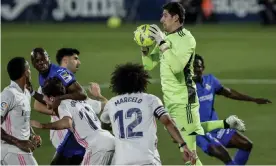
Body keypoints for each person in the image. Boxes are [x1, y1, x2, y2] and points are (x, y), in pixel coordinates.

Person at [140, 2, 246, 165]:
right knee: (187, 138)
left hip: (184, 100)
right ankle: (226, 123)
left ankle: (225, 123)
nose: (161, 20)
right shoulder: (167, 38)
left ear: (175, 18)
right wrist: (145, 48)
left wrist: (161, 43)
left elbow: (176, 68)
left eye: (165, 16)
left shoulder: (187, 39)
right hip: (170, 100)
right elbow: (148, 65)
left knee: (189, 154)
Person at [100, 63, 197, 165]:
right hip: (148, 160)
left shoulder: (111, 103)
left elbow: (104, 125)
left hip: (123, 162)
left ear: (118, 83)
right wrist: (183, 145)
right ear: (143, 81)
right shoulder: (151, 100)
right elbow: (167, 122)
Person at [194, 54, 272, 165]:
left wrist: (254, 99)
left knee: (246, 145)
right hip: (200, 132)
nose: (194, 70)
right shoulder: (186, 88)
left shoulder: (210, 81)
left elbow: (229, 93)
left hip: (217, 128)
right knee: (225, 156)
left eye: (197, 66)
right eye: (191, 67)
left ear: (203, 68)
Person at [31, 77, 115, 165]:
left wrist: (43, 126)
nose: (44, 100)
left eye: (45, 97)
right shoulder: (82, 101)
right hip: (110, 140)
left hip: (97, 147)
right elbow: (106, 106)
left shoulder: (62, 105)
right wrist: (99, 96)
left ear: (51, 98)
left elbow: (67, 122)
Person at [29, 47, 87, 165]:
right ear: (33, 64)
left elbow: (82, 94)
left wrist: (59, 99)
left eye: (43, 59)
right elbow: (48, 100)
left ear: (48, 59)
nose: (41, 63)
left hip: (75, 121)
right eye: (37, 61)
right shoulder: (42, 76)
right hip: (67, 121)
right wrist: (32, 92)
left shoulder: (61, 72)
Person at [1, 57, 41, 165]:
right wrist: (18, 142)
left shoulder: (25, 94)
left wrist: (32, 135)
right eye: (29, 69)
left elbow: (23, 120)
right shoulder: (9, 94)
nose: (30, 72)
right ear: (26, 73)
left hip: (20, 152)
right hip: (11, 151)